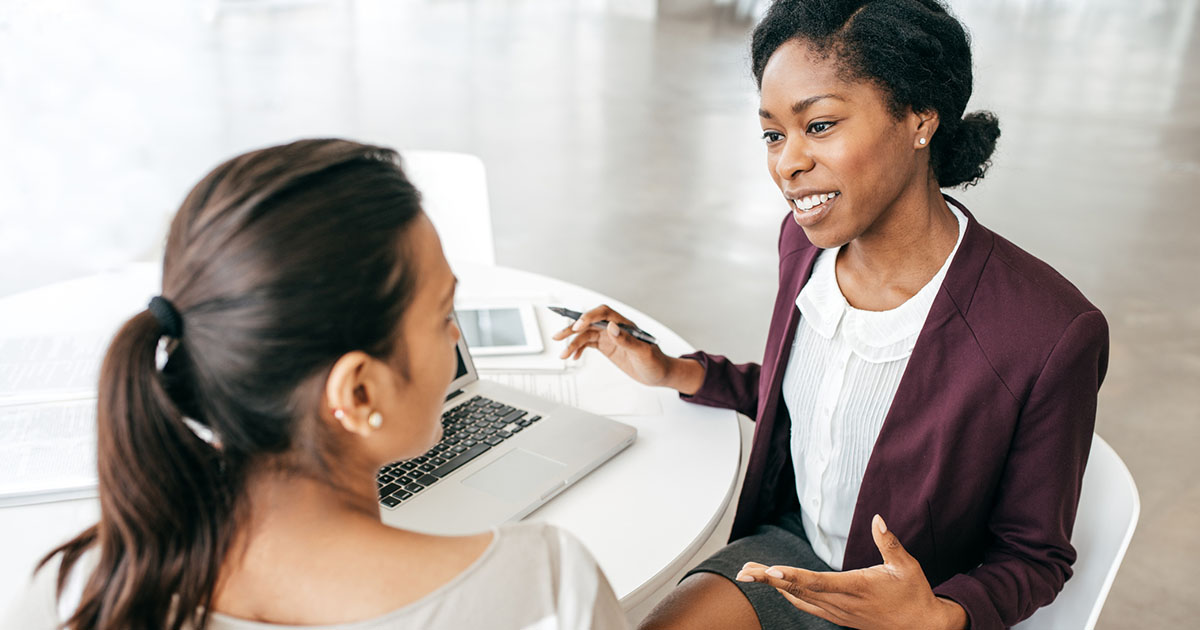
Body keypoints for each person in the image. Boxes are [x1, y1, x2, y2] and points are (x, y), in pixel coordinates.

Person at [555, 1, 1108, 629]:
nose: (787, 163)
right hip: (793, 557)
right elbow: (818, 400)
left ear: (919, 118)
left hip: (912, 608)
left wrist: (941, 615)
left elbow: (1034, 556)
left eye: (818, 126)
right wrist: (678, 372)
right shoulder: (805, 245)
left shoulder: (1048, 331)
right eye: (772, 133)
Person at [3, 139, 629, 630]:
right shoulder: (545, 588)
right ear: (358, 394)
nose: (456, 341)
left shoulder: (75, 594)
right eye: (444, 317)